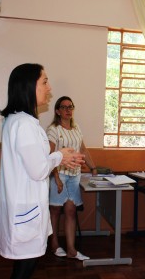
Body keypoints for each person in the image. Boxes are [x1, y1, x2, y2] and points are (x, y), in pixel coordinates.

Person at [0, 63, 85, 279]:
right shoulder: (23, 123)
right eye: (45, 82)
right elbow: (38, 169)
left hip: (23, 205)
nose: (49, 88)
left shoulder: (18, 120)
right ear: (29, 86)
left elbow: (36, 162)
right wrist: (60, 156)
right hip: (25, 209)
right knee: (24, 268)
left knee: (24, 267)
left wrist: (61, 156)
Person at [46, 96, 97, 261]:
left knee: (70, 210)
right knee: (55, 210)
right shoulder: (53, 129)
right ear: (57, 111)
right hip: (58, 174)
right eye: (64, 107)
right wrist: (56, 178)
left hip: (74, 176)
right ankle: (54, 244)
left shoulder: (76, 129)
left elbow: (83, 149)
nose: (68, 110)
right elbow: (50, 155)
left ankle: (71, 250)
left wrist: (93, 167)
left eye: (71, 107)